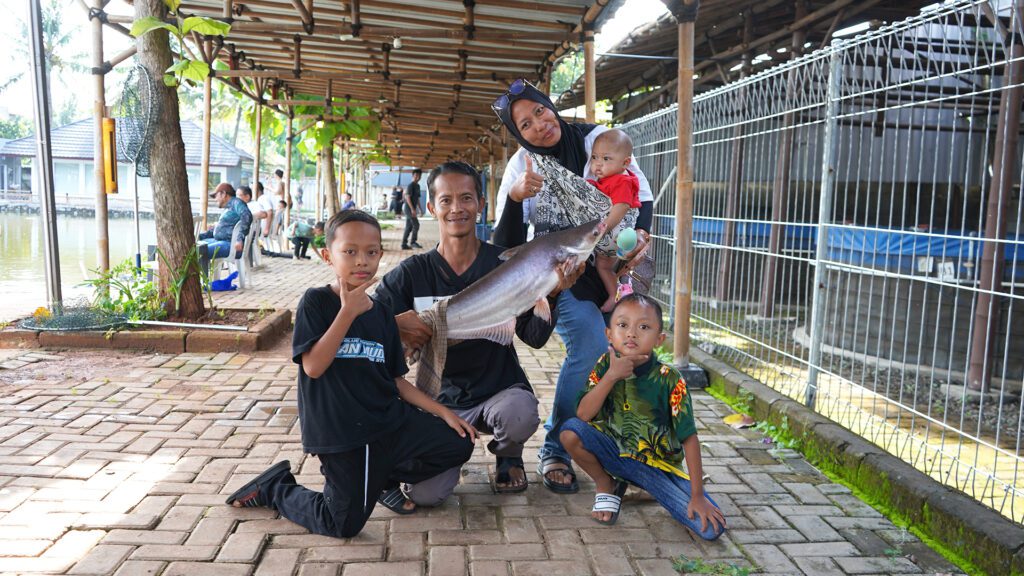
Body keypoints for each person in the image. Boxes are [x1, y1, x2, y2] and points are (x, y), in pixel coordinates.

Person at [224, 210, 476, 538]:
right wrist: (347, 313)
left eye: (371, 252)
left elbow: (396, 379)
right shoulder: (317, 302)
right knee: (341, 524)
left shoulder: (383, 313)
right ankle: (277, 489)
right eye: (350, 252)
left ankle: (379, 479)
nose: (362, 261)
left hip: (389, 422)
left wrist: (444, 413)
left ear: (380, 256)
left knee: (459, 442)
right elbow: (314, 367)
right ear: (329, 256)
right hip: (342, 434)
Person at [491, 78, 655, 494]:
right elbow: (503, 243)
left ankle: (625, 447)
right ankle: (556, 447)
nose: (538, 126)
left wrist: (641, 239)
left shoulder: (597, 142)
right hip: (559, 276)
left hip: (611, 265)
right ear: (519, 135)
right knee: (589, 346)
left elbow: (642, 195)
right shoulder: (522, 166)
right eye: (525, 125)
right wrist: (513, 197)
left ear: (551, 106)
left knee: (632, 353)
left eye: (540, 112)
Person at [375, 162, 566, 510]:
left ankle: (508, 454)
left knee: (520, 413)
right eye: (446, 200)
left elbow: (534, 338)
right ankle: (451, 450)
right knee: (425, 495)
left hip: (499, 390)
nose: (456, 208)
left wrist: (553, 292)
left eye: (466, 198)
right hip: (439, 400)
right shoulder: (412, 273)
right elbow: (368, 316)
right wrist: (397, 325)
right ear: (431, 208)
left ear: (481, 204)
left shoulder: (506, 263)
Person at [559, 294, 726, 538]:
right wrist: (612, 376)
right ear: (609, 335)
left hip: (656, 468)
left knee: (711, 529)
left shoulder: (670, 379)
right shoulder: (605, 365)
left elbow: (689, 438)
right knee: (570, 432)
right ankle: (607, 484)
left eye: (644, 327)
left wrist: (697, 495)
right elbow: (584, 414)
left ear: (659, 339)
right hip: (613, 453)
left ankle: (647, 489)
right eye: (623, 325)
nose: (631, 334)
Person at [587, 129, 641, 313]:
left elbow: (621, 206)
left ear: (625, 162)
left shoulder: (622, 181)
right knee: (606, 265)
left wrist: (604, 226)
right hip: (615, 235)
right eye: (594, 157)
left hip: (617, 230)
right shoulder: (608, 179)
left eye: (606, 159)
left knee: (603, 266)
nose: (597, 164)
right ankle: (621, 286)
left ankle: (616, 294)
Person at [197, 182, 252, 275]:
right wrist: (198, 236)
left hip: (230, 245)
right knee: (194, 248)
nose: (215, 199)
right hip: (221, 241)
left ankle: (204, 285)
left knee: (198, 251)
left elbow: (247, 215)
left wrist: (240, 239)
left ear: (223, 194)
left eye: (216, 195)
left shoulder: (236, 202)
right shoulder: (229, 208)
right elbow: (221, 230)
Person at [402, 169, 423, 250]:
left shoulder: (418, 186)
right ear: (413, 176)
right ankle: (413, 242)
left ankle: (404, 244)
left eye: (419, 176)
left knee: (409, 226)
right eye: (416, 175)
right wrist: (412, 209)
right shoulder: (411, 185)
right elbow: (407, 197)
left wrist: (420, 209)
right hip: (408, 208)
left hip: (412, 209)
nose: (418, 177)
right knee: (416, 225)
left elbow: (417, 199)